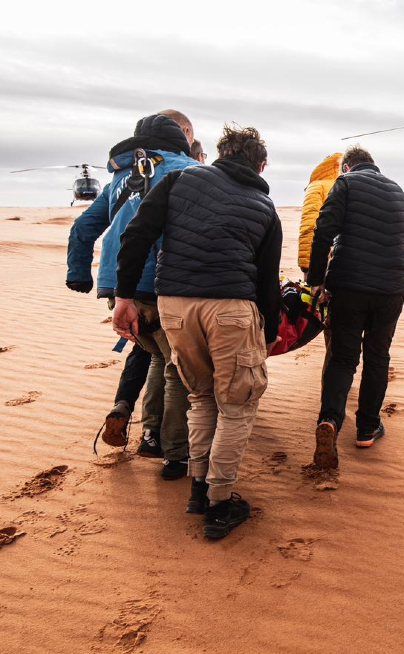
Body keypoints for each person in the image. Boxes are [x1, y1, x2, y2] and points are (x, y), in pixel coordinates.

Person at [113, 124, 282, 540]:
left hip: (175, 306)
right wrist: (272, 331)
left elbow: (136, 235)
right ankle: (220, 505)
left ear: (222, 154)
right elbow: (267, 280)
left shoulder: (178, 179)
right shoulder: (263, 203)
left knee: (201, 396)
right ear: (261, 164)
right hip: (231, 308)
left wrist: (124, 297)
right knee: (237, 404)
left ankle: (199, 486)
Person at [66, 113, 198, 479]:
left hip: (119, 289)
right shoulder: (187, 170)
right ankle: (176, 455)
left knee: (153, 355)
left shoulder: (119, 178)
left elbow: (82, 227)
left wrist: (80, 276)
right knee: (178, 369)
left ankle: (149, 432)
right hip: (164, 284)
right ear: (181, 140)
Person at [307, 144, 404, 470]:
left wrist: (316, 279)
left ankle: (330, 422)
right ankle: (366, 428)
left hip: (349, 286)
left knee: (343, 359)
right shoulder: (397, 190)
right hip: (390, 290)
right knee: (378, 357)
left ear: (347, 167)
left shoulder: (346, 183)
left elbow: (323, 231)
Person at [298, 152, 342, 277]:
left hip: (321, 261)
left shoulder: (316, 187)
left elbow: (310, 225)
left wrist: (308, 267)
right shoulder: (347, 186)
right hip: (347, 263)